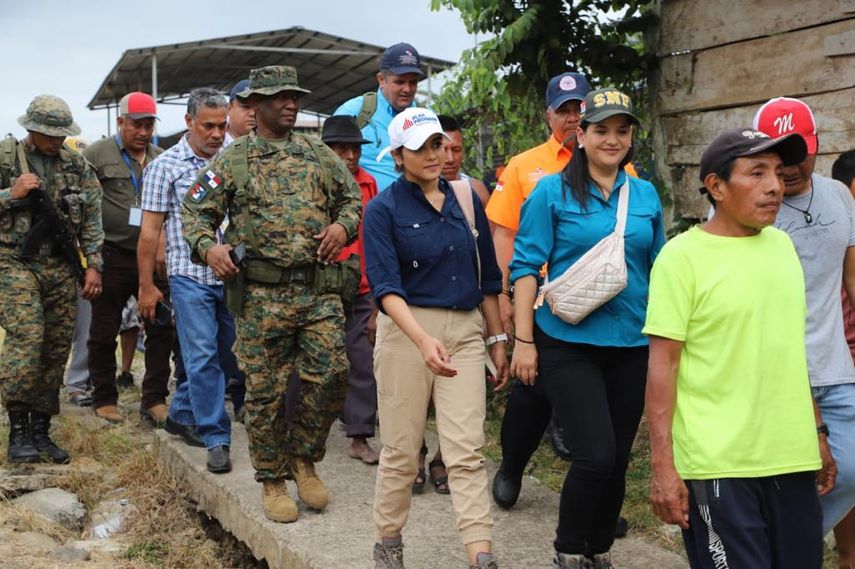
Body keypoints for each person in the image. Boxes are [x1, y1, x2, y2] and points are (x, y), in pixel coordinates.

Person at [645, 127, 833, 568]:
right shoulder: (681, 258)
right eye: (757, 173)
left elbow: (789, 350)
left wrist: (817, 433)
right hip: (719, 464)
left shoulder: (782, 248)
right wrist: (663, 467)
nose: (775, 186)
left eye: (778, 172)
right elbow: (662, 367)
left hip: (790, 456)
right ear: (716, 186)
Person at [182, 66, 362, 521]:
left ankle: (303, 458)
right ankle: (272, 479)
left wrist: (342, 227)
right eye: (280, 97)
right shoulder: (233, 160)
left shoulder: (317, 153)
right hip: (261, 296)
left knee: (333, 375)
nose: (290, 104)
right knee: (264, 392)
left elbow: (351, 200)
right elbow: (195, 212)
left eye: (294, 96)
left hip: (317, 289)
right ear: (256, 104)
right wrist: (210, 248)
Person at [510, 88, 664, 569]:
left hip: (632, 341)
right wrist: (522, 341)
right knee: (594, 454)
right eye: (601, 130)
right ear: (581, 135)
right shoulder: (550, 192)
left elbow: (659, 265)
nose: (612, 140)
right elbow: (524, 267)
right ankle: (570, 548)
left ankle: (599, 548)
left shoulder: (644, 194)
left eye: (622, 130)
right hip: (567, 340)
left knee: (617, 457)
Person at [365, 107, 509, 569]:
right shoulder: (382, 210)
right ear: (398, 156)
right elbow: (386, 289)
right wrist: (423, 340)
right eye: (420, 148)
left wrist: (497, 339)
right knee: (402, 452)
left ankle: (480, 552)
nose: (433, 155)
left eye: (437, 144)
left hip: (464, 332)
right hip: (407, 333)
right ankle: (389, 541)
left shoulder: (465, 198)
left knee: (466, 450)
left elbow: (488, 278)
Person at [753, 97, 855, 568]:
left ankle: (786, 549)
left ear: (816, 146)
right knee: (787, 478)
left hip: (835, 365)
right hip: (776, 368)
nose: (791, 168)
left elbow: (851, 277)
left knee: (850, 470)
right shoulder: (751, 208)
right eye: (778, 156)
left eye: (800, 154)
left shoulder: (839, 196)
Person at [487, 72, 593, 509]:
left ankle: (596, 496)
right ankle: (512, 465)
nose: (572, 118)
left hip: (597, 298)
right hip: (540, 296)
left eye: (579, 109)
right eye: (564, 110)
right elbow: (503, 234)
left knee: (594, 392)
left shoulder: (614, 162)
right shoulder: (523, 166)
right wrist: (504, 296)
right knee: (532, 388)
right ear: (548, 115)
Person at [138, 87, 239, 474]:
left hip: (232, 277)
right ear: (188, 122)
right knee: (201, 356)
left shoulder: (235, 157)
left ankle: (180, 412)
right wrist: (147, 286)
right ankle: (216, 436)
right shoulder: (165, 167)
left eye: (222, 126)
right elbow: (149, 232)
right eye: (208, 126)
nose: (217, 134)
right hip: (189, 276)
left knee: (228, 354)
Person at [0, 94, 104, 463]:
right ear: (31, 129)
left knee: (56, 345)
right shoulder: (6, 159)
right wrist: (10, 194)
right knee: (28, 338)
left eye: (62, 134)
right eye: (50, 134)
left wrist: (93, 265)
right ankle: (18, 429)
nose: (57, 140)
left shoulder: (77, 166)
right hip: (14, 262)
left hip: (61, 266)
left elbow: (92, 219)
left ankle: (41, 430)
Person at [83, 91, 174, 426]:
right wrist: (90, 260)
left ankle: (154, 399)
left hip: (153, 257)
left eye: (149, 125)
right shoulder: (97, 154)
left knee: (161, 326)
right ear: (120, 121)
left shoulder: (161, 158)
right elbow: (84, 207)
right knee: (104, 330)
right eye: (137, 125)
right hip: (113, 255)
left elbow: (172, 207)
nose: (144, 132)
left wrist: (163, 242)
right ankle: (105, 398)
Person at [320, 115, 381, 465]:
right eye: (342, 149)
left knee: (362, 361)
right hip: (321, 287)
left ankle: (359, 435)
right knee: (313, 362)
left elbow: (376, 238)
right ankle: (294, 429)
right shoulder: (310, 183)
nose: (350, 156)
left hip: (361, 287)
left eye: (355, 149)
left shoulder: (369, 184)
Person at [334, 42, 424, 191]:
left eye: (413, 82)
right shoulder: (353, 111)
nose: (407, 89)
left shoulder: (423, 119)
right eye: (400, 82)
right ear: (381, 79)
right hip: (365, 203)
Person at [438, 114, 491, 207]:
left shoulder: (477, 190)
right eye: (443, 150)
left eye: (456, 150)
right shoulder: (416, 192)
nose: (450, 159)